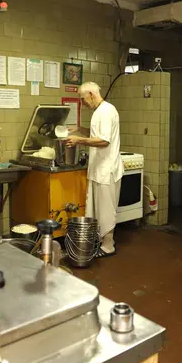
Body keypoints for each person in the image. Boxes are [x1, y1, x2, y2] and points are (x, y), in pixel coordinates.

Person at [65, 82, 123, 257]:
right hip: (100, 168)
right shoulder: (101, 111)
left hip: (107, 169)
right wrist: (80, 130)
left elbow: (104, 141)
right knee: (98, 208)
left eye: (83, 99)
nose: (83, 103)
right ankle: (100, 242)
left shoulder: (105, 111)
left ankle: (108, 246)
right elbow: (97, 133)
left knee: (106, 209)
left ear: (91, 93)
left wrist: (78, 140)